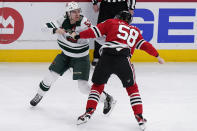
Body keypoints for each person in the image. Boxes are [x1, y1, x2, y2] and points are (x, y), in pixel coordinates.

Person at [71, 10, 165, 130]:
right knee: (132, 88)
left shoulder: (111, 22)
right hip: (123, 59)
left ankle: (88, 112)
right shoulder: (134, 30)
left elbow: (93, 32)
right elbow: (145, 45)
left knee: (97, 86)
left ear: (118, 17)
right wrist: (157, 56)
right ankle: (140, 117)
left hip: (106, 57)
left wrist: (78, 35)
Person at [30, 2, 116, 116]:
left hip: (81, 58)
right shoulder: (62, 19)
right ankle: (39, 94)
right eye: (74, 12)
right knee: (49, 77)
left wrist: (111, 43)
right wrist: (55, 30)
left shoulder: (84, 23)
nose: (77, 14)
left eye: (78, 11)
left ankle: (107, 98)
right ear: (68, 13)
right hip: (65, 55)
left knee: (83, 88)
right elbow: (44, 28)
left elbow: (97, 36)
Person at [91, 0, 136, 66]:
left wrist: (131, 7)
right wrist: (94, 3)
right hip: (106, 5)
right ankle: (97, 56)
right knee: (101, 30)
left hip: (121, 5)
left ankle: (123, 57)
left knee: (122, 30)